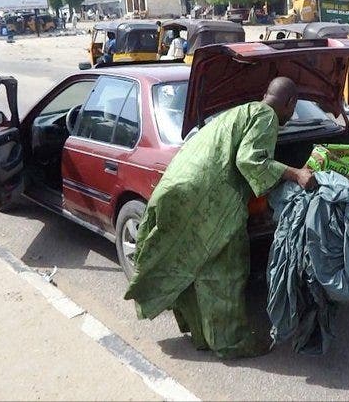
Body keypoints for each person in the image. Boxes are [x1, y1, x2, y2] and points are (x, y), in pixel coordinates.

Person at [125, 77, 316, 359]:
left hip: (176, 188)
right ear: (291, 104)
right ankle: (231, 343)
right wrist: (296, 173)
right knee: (225, 272)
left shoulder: (242, 111)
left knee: (193, 265)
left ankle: (203, 336)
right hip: (206, 199)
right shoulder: (266, 116)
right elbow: (250, 160)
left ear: (265, 93)